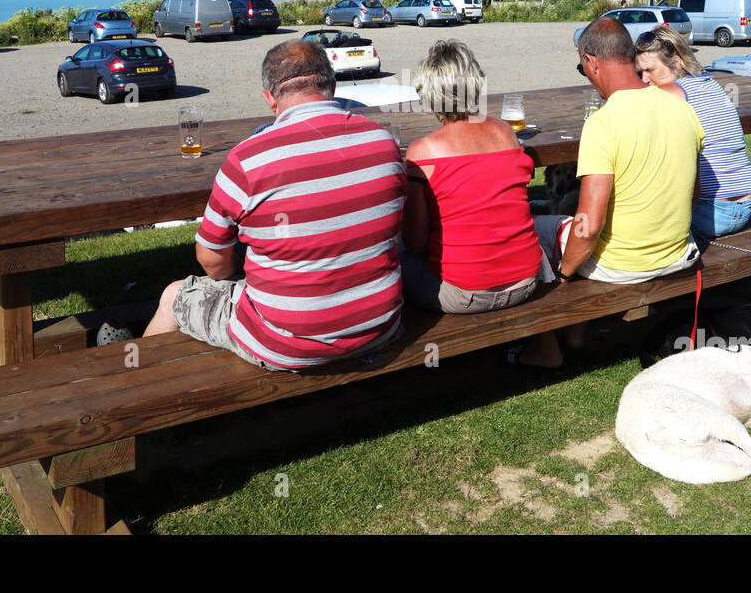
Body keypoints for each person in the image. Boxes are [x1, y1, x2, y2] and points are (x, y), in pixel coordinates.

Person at [141, 39, 405, 370]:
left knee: (173, 296)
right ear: (332, 86)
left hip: (285, 344)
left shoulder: (247, 160)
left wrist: (242, 274)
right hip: (379, 328)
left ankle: (135, 378)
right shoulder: (382, 142)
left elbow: (211, 261)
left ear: (270, 99)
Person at [518, 17, 705, 367]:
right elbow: (693, 194)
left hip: (622, 267)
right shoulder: (681, 107)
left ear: (592, 62)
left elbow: (588, 225)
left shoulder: (603, 123)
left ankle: (545, 345)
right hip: (678, 253)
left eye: (582, 67)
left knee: (530, 228)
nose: (586, 74)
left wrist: (563, 277)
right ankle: (575, 332)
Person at [401, 40, 543, 312]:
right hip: (526, 281)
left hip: (463, 294)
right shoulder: (505, 133)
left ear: (429, 94)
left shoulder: (423, 152)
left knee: (390, 257)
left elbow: (416, 243)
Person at [635, 25, 751, 238]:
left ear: (676, 62)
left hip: (709, 211)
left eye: (650, 70)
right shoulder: (712, 84)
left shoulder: (670, 94)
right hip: (746, 204)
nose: (644, 79)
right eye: (640, 72)